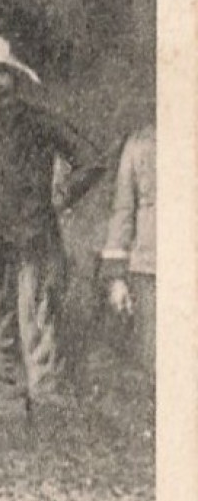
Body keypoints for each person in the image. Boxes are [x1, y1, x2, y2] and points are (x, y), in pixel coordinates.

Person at [0, 34, 104, 420]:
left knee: (39, 327)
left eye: (4, 72)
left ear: (15, 77)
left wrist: (62, 195)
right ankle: (10, 414)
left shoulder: (39, 123)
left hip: (35, 244)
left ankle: (48, 409)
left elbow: (91, 160)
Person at [102, 122, 156, 372]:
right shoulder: (140, 143)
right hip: (150, 271)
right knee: (154, 361)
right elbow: (123, 211)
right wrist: (116, 278)